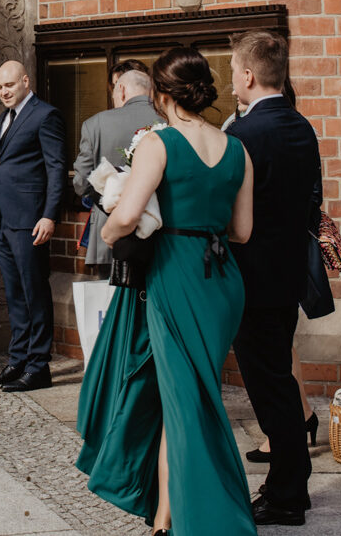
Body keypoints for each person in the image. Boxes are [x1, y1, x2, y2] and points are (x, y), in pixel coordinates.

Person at [76, 47, 255, 536]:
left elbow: (129, 215)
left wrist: (109, 234)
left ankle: (208, 519)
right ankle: (163, 519)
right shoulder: (237, 148)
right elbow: (241, 231)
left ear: (160, 94)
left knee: (185, 400)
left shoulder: (160, 143)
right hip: (221, 282)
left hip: (175, 276)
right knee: (187, 398)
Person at [226, 30, 320, 526]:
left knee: (270, 390)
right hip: (286, 277)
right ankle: (289, 483)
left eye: (232, 71)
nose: (230, 80)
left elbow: (231, 213)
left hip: (251, 280)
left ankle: (286, 494)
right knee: (278, 383)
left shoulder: (243, 136)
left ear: (247, 74)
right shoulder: (302, 127)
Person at [0, 60, 66, 392]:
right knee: (15, 295)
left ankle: (39, 366)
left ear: (25, 81)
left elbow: (57, 169)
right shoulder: (4, 118)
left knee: (34, 293)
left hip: (31, 221)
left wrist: (49, 215)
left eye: (9, 85)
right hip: (4, 221)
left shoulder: (45, 115)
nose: (4, 92)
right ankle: (18, 360)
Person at [73, 62, 161, 266]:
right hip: (157, 230)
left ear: (121, 90)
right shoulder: (167, 120)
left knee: (109, 297)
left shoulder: (95, 124)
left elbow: (81, 184)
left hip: (109, 232)